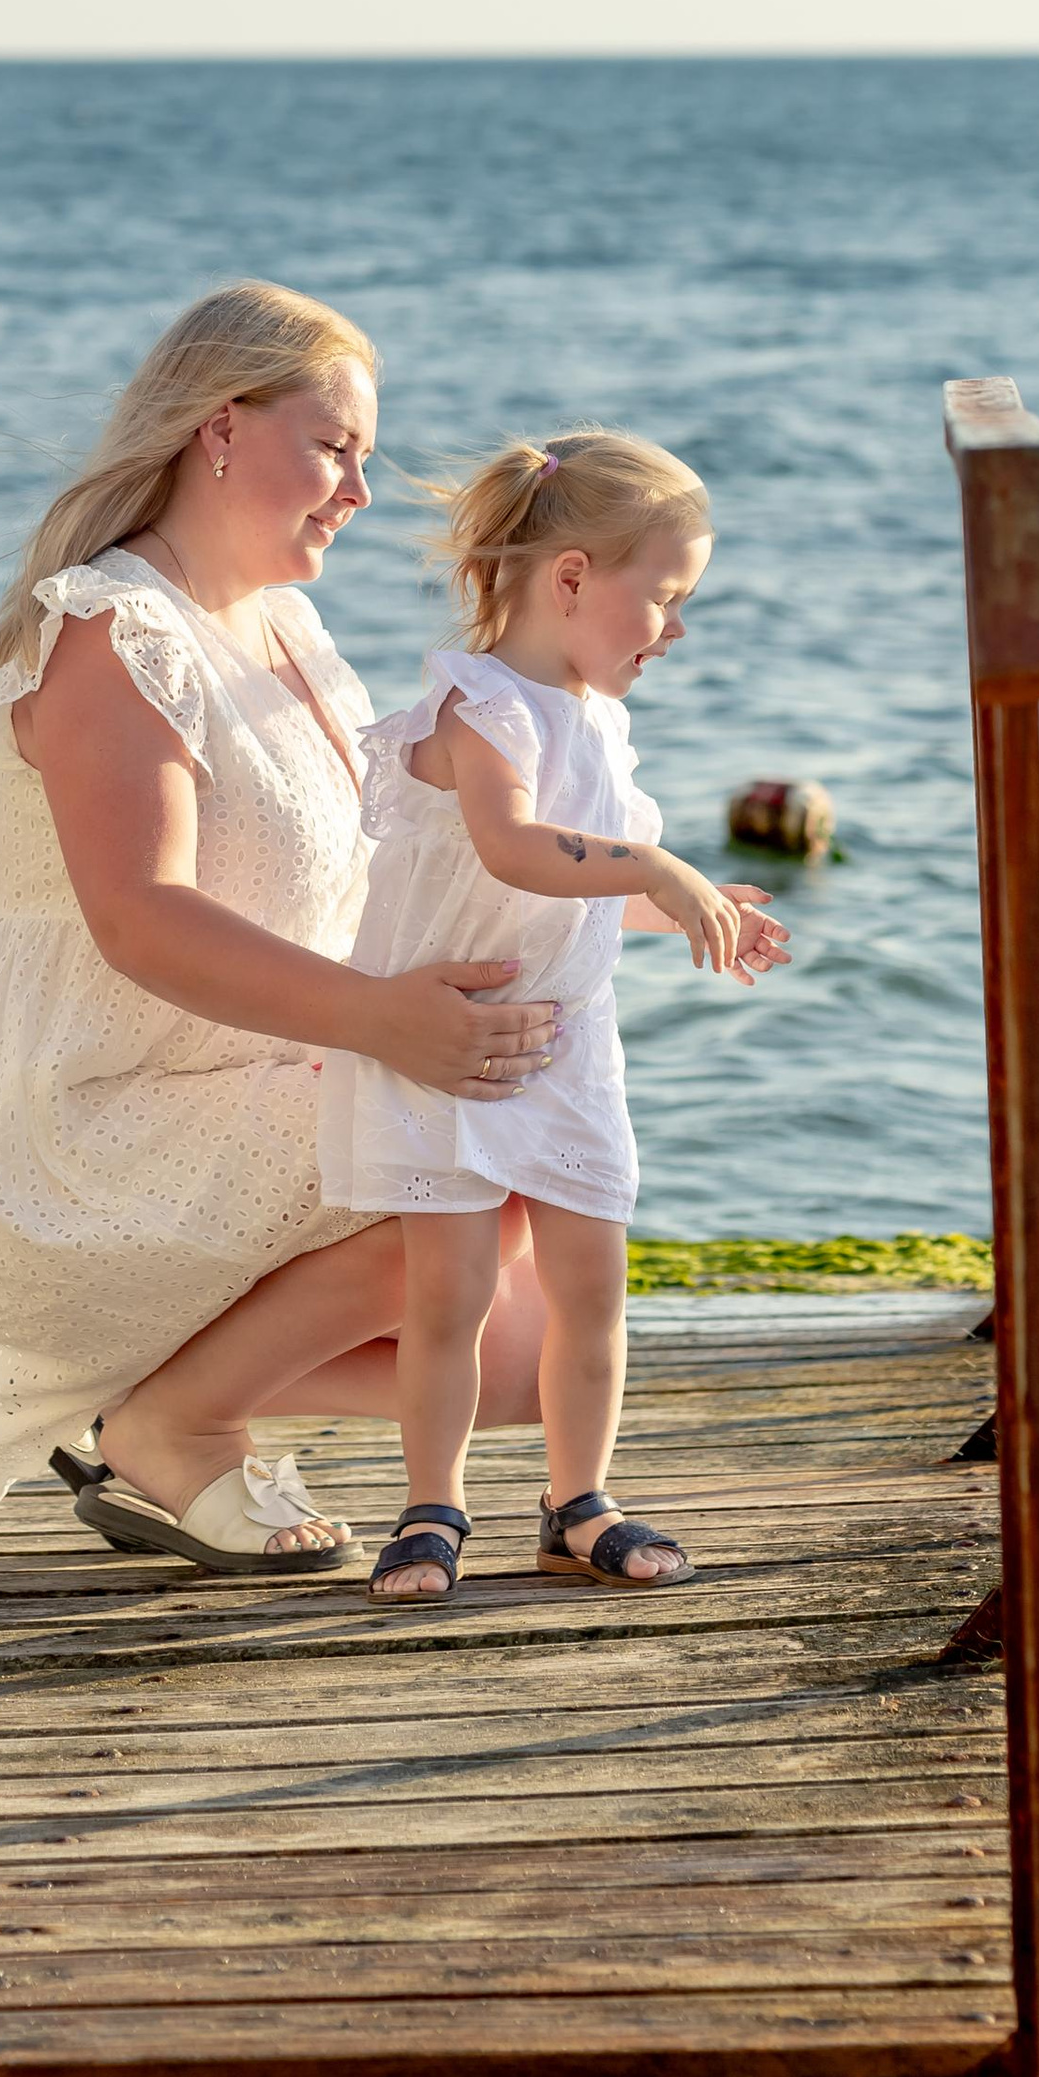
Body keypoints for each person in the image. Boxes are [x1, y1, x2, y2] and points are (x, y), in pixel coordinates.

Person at [0, 280, 569, 1570]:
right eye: (333, 448)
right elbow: (141, 922)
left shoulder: (288, 628)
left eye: (365, 460)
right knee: (468, 1160)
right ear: (219, 427)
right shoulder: (116, 630)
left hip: (241, 1072)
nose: (356, 493)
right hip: (85, 1111)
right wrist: (379, 1025)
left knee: (524, 1357)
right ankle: (176, 1421)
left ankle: (182, 1391)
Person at [317, 429, 789, 1606]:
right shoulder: (484, 706)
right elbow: (514, 850)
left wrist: (685, 909)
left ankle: (577, 1502)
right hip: (452, 1049)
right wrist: (656, 864)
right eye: (664, 598)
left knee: (592, 1287)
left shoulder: (600, 720)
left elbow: (570, 896)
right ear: (572, 577)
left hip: (567, 1048)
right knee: (453, 1296)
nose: (673, 631)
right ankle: (432, 1505)